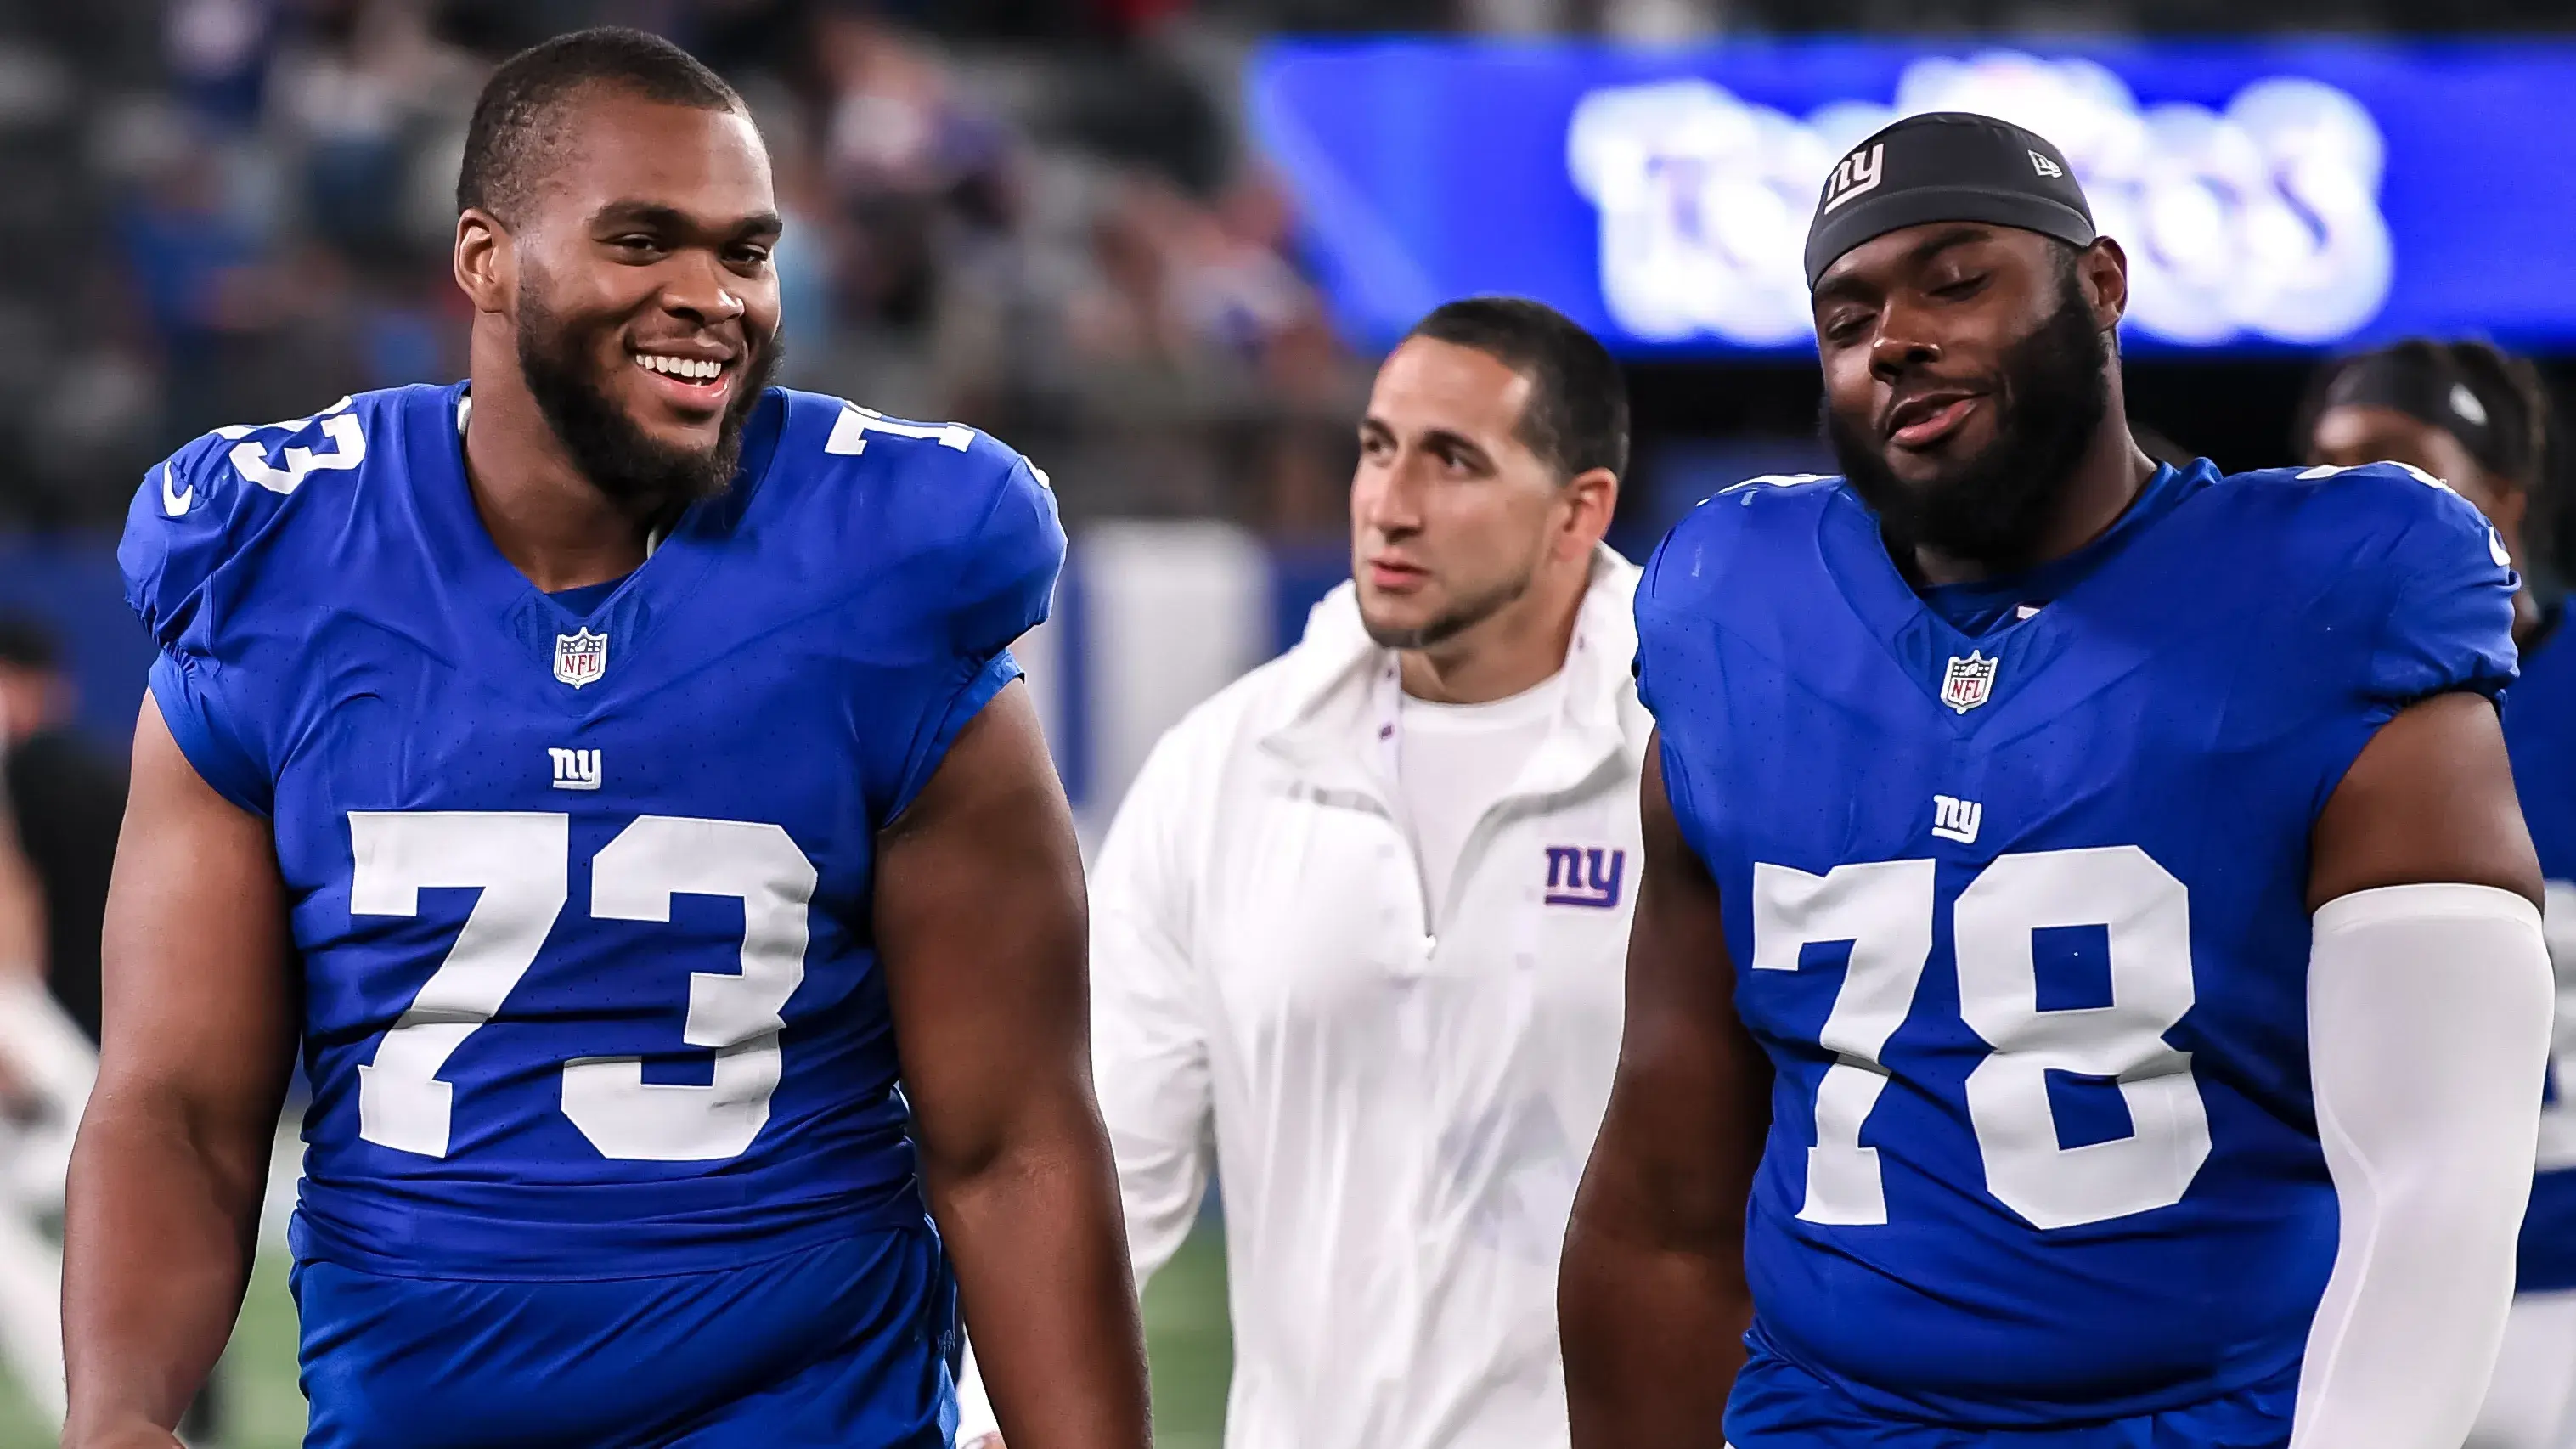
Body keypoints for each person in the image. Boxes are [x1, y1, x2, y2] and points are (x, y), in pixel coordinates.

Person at [62, 28, 1150, 1449]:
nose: (712, 300)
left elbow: (1008, 1140)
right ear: (484, 258)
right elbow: (184, 1106)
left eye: (746, 254)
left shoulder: (885, 565)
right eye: (645, 242)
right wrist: (123, 1415)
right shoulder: (289, 561)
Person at [1560, 110, 2555, 1449]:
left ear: (2101, 285)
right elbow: (1663, 1208)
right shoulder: (1740, 610)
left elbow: (2434, 1181)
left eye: (1955, 279)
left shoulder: (2328, 596)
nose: (1896, 334)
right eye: (1846, 315)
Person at [961, 296, 1644, 1449]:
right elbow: (1105, 1155)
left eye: (1453, 461)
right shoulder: (1225, 768)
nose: (1390, 502)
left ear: (1579, 512)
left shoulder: (1693, 768)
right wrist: (990, 1417)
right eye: (1376, 447)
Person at [2301, 338, 2573, 1449]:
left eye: (2391, 462)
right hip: (2368, 1301)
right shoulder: (2296, 712)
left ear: (2498, 500)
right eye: (2321, 470)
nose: (2346, 502)